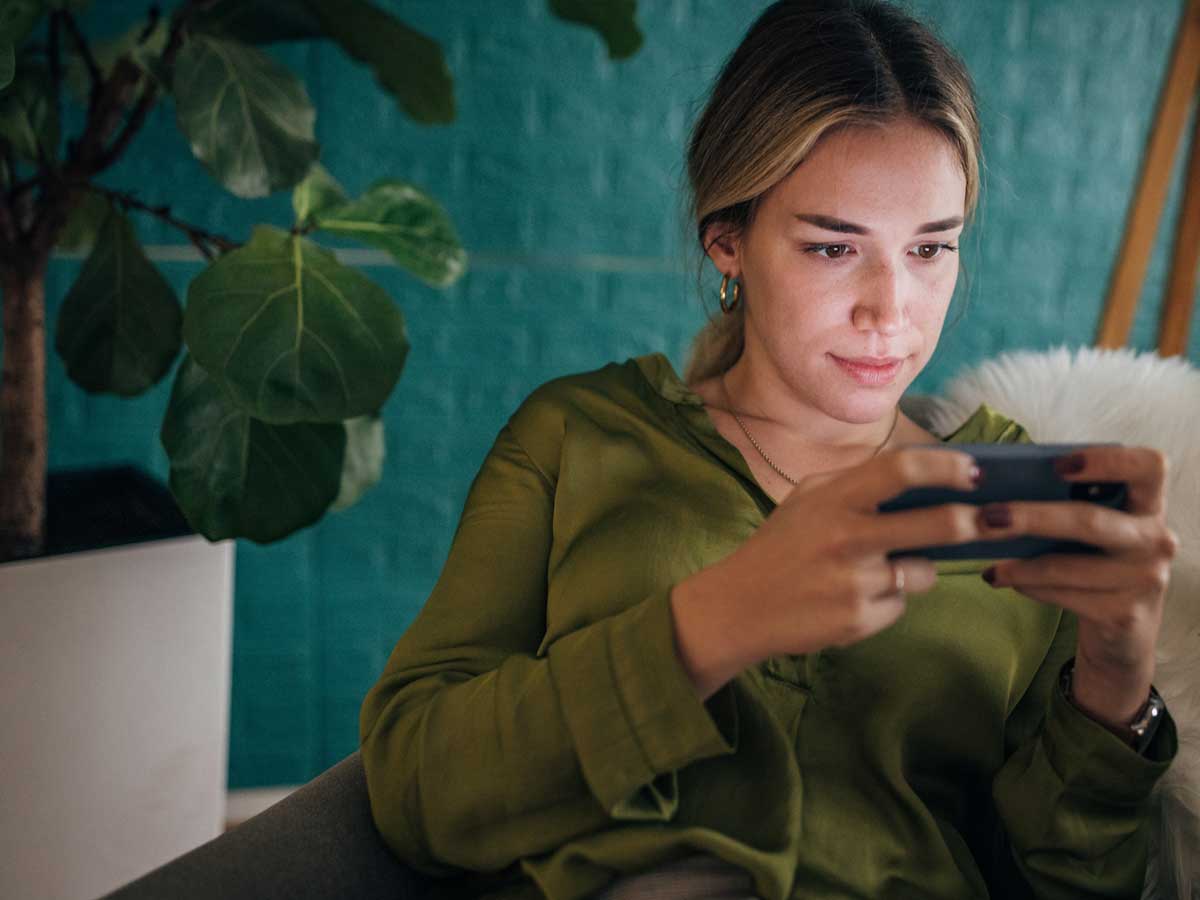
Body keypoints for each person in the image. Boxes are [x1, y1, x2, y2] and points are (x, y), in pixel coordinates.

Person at [359, 1, 1180, 897]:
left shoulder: (1011, 502)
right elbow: (414, 789)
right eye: (834, 247)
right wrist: (716, 622)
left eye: (930, 248)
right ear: (728, 243)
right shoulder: (580, 437)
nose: (892, 309)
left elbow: (1073, 883)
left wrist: (1112, 686)